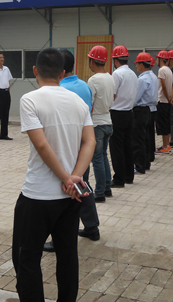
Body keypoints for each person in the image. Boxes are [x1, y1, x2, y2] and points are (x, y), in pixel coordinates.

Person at [12, 48, 96, 302]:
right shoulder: (78, 102)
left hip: (37, 195)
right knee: (67, 255)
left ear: (35, 70)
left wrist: (66, 178)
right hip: (70, 198)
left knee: (27, 257)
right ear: (63, 73)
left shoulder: (30, 99)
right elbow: (90, 142)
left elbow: (41, 144)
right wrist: (75, 178)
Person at [43, 49, 100, 252]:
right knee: (82, 183)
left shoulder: (59, 89)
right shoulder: (84, 85)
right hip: (84, 144)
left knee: (66, 190)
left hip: (66, 146)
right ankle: (92, 227)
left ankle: (60, 238)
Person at [87, 45, 115, 202]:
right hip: (108, 120)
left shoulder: (93, 80)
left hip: (96, 123)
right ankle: (107, 188)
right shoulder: (110, 77)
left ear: (92, 61)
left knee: (97, 158)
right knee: (103, 156)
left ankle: (99, 192)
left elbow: (89, 104)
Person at [109, 45, 138, 188]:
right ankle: (129, 176)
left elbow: (112, 95)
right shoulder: (133, 74)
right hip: (129, 113)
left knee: (117, 148)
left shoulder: (117, 74)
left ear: (115, 60)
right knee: (128, 146)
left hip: (117, 113)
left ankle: (119, 179)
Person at [132, 53, 157, 174]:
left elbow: (135, 98)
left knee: (138, 139)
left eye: (137, 64)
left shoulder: (142, 79)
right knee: (147, 138)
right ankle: (146, 163)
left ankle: (139, 166)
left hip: (140, 110)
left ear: (141, 65)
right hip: (149, 109)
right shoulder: (153, 76)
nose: (136, 66)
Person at [155, 50, 173, 154]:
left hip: (162, 100)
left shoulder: (161, 70)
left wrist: (167, 97)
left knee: (162, 125)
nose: (156, 61)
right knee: (166, 123)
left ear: (161, 59)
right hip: (167, 101)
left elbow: (164, 86)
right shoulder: (169, 70)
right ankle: (166, 145)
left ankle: (165, 147)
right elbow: (171, 86)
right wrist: (171, 98)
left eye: (157, 59)